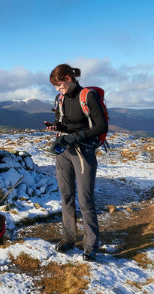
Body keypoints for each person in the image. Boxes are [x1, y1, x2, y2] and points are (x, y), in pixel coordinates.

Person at [45, 63, 107, 261]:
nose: (58, 90)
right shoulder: (61, 98)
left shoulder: (88, 96)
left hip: (83, 151)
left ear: (69, 79)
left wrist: (76, 137)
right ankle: (68, 239)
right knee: (66, 196)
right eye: (56, 87)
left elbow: (101, 126)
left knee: (85, 200)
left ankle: (90, 246)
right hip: (64, 150)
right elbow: (64, 123)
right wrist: (56, 126)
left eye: (61, 86)